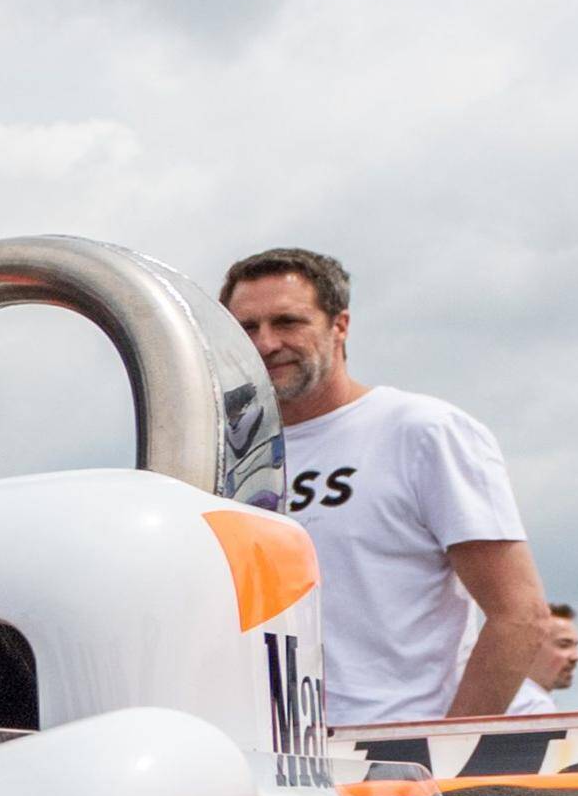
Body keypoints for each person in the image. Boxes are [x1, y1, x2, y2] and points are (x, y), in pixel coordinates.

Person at [219, 248, 547, 752]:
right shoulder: (224, 455)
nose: (266, 343)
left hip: (398, 750)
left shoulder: (422, 432)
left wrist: (447, 754)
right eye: (247, 328)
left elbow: (520, 615)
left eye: (288, 321)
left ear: (340, 325)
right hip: (272, 756)